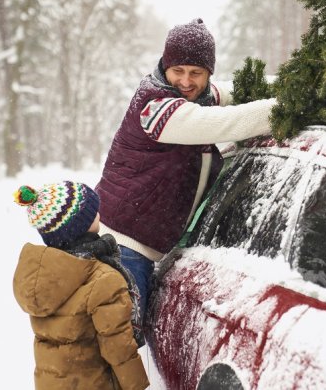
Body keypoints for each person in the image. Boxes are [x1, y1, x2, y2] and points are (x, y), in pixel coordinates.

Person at [95, 18, 277, 321]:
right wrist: (290, 105)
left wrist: (296, 80)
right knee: (119, 347)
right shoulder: (156, 107)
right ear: (164, 67)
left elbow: (236, 90)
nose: (186, 81)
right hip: (123, 249)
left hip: (137, 248)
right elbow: (229, 123)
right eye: (178, 71)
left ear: (208, 73)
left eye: (197, 73)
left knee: (121, 347)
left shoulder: (194, 96)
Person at [12, 181, 149, 390]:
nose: (99, 214)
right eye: (93, 212)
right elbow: (118, 346)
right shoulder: (104, 279)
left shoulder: (48, 275)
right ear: (79, 226)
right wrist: (137, 385)